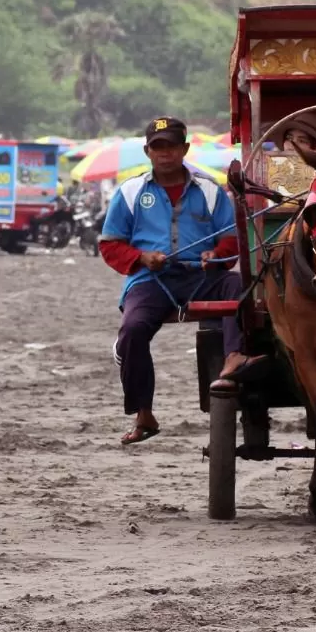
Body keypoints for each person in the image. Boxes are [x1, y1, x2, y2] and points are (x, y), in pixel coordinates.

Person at [101, 116, 243, 445]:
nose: (165, 153)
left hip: (202, 277)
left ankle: (234, 357)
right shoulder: (130, 191)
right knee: (133, 330)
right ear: (147, 151)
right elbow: (110, 245)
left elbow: (231, 240)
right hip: (151, 281)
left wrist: (215, 254)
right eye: (158, 147)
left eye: (172, 146)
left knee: (237, 288)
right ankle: (144, 414)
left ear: (185, 149)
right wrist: (141, 257)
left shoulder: (210, 190)